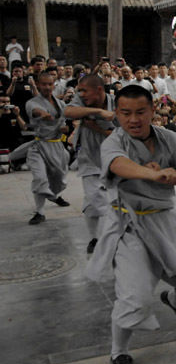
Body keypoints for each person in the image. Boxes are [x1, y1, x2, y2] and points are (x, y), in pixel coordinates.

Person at [85, 85, 176, 364]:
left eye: (140, 112)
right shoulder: (113, 143)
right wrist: (153, 173)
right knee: (135, 295)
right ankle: (119, 352)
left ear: (153, 110)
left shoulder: (168, 138)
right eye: (125, 113)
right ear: (116, 114)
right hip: (127, 227)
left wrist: (174, 177)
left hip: (166, 221)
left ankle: (175, 301)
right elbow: (120, 165)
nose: (133, 119)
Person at [64, 74, 117, 253]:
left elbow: (122, 133)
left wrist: (96, 127)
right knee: (95, 196)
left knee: (113, 198)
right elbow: (68, 112)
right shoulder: (81, 100)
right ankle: (98, 237)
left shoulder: (117, 102)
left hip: (114, 158)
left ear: (99, 90)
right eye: (80, 91)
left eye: (85, 90)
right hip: (88, 157)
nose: (82, 94)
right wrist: (98, 112)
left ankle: (118, 232)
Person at [23, 72, 71, 224]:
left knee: (57, 176)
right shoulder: (32, 102)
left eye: (50, 84)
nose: (47, 87)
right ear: (37, 85)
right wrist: (41, 113)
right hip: (39, 146)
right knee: (40, 177)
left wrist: (64, 128)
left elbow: (64, 123)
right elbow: (35, 110)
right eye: (43, 84)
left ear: (54, 85)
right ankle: (39, 212)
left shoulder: (60, 104)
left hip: (56, 146)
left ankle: (54, 195)